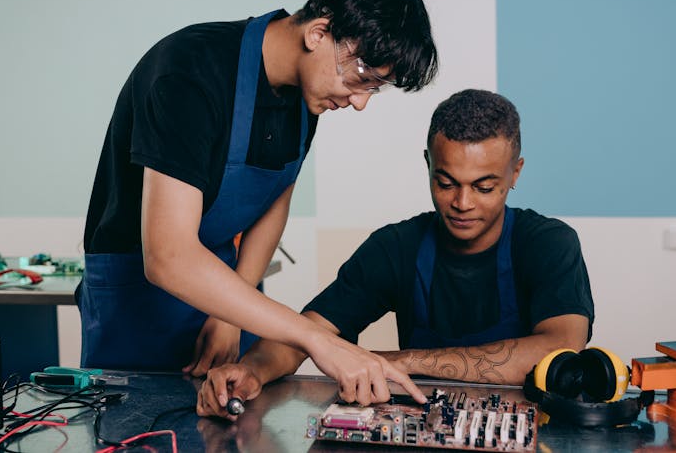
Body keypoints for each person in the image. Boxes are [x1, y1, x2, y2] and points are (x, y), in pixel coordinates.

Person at [77, 0, 438, 405]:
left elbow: (274, 199)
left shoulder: (308, 100)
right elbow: (168, 256)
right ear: (318, 33)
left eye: (375, 88)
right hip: (138, 303)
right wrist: (316, 339)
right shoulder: (188, 71)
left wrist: (231, 313)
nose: (360, 103)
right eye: (362, 78)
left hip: (226, 296)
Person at [196, 89, 595, 419]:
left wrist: (396, 363)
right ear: (428, 164)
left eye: (484, 188)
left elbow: (560, 348)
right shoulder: (396, 247)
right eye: (445, 182)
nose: (462, 202)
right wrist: (250, 371)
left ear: (516, 173)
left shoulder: (548, 243)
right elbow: (307, 334)